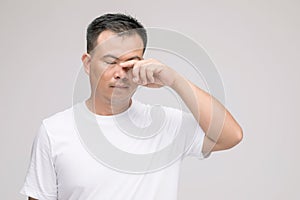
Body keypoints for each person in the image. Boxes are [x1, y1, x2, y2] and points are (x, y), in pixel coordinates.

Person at [20, 13, 243, 200]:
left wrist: (174, 80)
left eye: (131, 63)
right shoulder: (55, 130)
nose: (120, 73)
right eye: (110, 61)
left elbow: (231, 135)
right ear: (88, 64)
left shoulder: (165, 124)